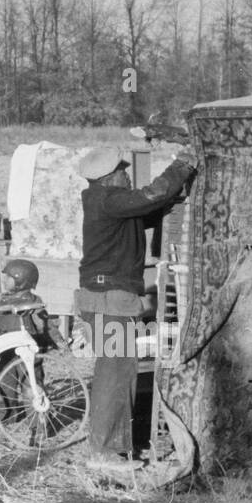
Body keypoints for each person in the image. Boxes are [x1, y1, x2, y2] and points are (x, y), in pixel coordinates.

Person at [76, 145, 197, 469]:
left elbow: (150, 206)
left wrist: (171, 199)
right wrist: (182, 166)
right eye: (122, 170)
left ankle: (109, 448)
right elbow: (152, 194)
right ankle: (102, 452)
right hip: (108, 298)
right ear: (109, 176)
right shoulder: (108, 200)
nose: (127, 174)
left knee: (116, 372)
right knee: (115, 375)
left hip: (104, 296)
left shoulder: (107, 202)